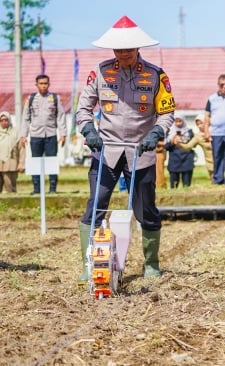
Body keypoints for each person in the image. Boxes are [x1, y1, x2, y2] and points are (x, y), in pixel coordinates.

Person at [75, 15, 176, 283]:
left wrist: (156, 132)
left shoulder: (156, 75)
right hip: (106, 150)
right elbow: (83, 109)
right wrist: (89, 131)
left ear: (137, 48)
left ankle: (151, 263)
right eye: (118, 50)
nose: (123, 54)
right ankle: (89, 264)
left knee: (146, 209)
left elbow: (166, 113)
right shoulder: (100, 72)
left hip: (141, 152)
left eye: (128, 50)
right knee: (96, 205)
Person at [20, 74, 66, 194]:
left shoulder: (55, 98)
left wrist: (63, 133)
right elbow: (25, 118)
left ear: (49, 84)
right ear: (36, 85)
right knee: (36, 162)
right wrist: (23, 135)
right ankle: (36, 189)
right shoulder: (31, 99)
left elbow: (61, 116)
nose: (43, 86)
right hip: (35, 136)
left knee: (52, 161)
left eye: (45, 83)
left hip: (51, 135)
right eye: (41, 83)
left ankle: (52, 188)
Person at [165, 117, 194, 188]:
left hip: (187, 159)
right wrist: (173, 139)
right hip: (174, 160)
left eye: (180, 121)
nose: (178, 123)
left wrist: (183, 138)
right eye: (176, 121)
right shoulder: (170, 132)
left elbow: (192, 144)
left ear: (183, 121)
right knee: (174, 185)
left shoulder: (189, 132)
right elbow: (166, 147)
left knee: (187, 185)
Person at [0, 111, 25, 193]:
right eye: (1, 120)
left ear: (9, 120)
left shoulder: (15, 132)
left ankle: (13, 205)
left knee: (10, 188)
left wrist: (21, 164)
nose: (4, 122)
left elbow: (21, 149)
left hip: (11, 164)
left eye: (6, 120)